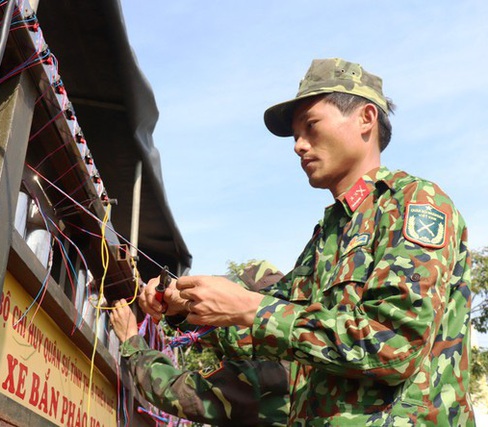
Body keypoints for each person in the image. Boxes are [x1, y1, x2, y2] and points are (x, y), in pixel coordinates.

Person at [147, 58, 475, 425]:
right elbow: (269, 332)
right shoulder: (330, 233)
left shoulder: (413, 203)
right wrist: (186, 308)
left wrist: (252, 307)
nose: (298, 145)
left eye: (311, 126)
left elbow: (396, 346)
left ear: (366, 118)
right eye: (294, 135)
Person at [112, 261, 290, 426]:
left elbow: (178, 392)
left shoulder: (272, 376)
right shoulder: (283, 347)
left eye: (229, 307)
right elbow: (222, 332)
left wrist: (131, 342)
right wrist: (178, 307)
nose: (218, 312)